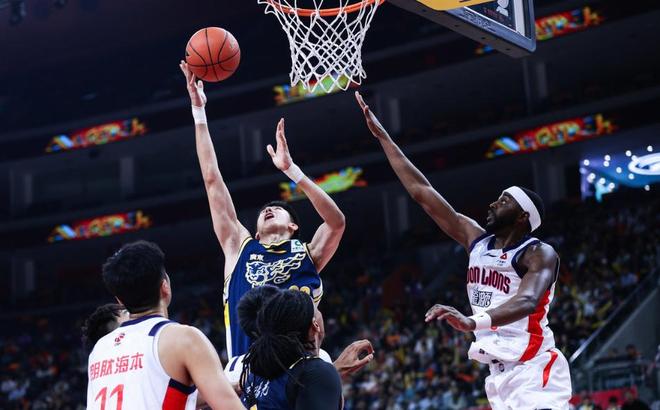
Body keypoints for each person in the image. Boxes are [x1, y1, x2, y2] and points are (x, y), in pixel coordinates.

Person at [355, 91, 572, 409]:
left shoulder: (538, 253)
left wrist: (473, 321)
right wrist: (383, 137)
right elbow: (422, 192)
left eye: (504, 201)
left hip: (534, 370)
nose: (493, 204)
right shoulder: (477, 240)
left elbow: (527, 301)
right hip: (498, 378)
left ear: (522, 217)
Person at [180, 61, 346, 359]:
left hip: (299, 369)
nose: (269, 209)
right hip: (249, 372)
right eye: (264, 210)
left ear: (294, 227)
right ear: (255, 232)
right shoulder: (239, 248)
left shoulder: (308, 254)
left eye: (278, 209)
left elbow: (336, 222)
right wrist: (198, 111)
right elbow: (212, 179)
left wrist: (292, 171)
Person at [87, 240, 243, 410]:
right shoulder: (183, 339)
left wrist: (231, 386)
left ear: (120, 301)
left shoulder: (99, 350)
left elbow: (152, 397)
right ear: (165, 286)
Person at [239, 289, 371, 409]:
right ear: (315, 325)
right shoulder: (315, 372)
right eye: (317, 309)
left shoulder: (255, 377)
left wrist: (333, 371)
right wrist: (329, 374)